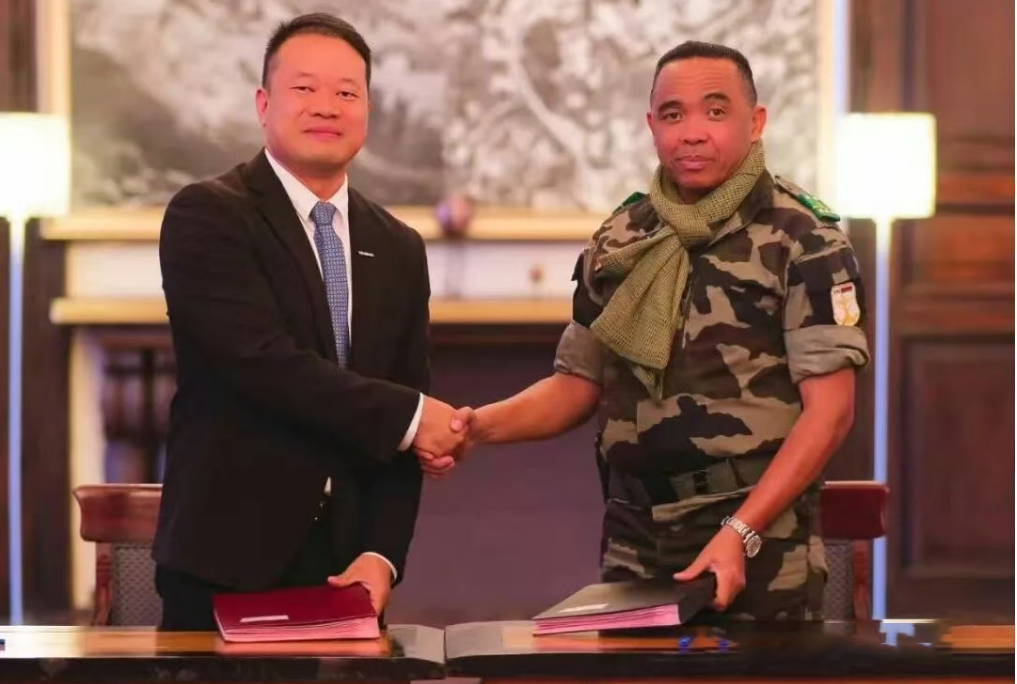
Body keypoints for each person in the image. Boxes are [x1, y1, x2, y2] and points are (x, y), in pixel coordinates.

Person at [421, 41, 870, 621]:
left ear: (755, 122)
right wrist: (475, 426)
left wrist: (742, 531)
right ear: (651, 124)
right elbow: (576, 385)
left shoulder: (803, 237)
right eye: (673, 114)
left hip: (759, 538)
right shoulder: (621, 238)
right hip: (635, 536)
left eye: (716, 111)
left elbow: (830, 413)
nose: (692, 133)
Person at [154, 12, 470, 631]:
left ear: (368, 110)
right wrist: (413, 418)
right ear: (263, 104)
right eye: (304, 88)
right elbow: (263, 365)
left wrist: (383, 556)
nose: (326, 106)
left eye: (347, 92)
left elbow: (403, 401)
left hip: (347, 571)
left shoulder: (399, 246)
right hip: (225, 563)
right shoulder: (208, 216)